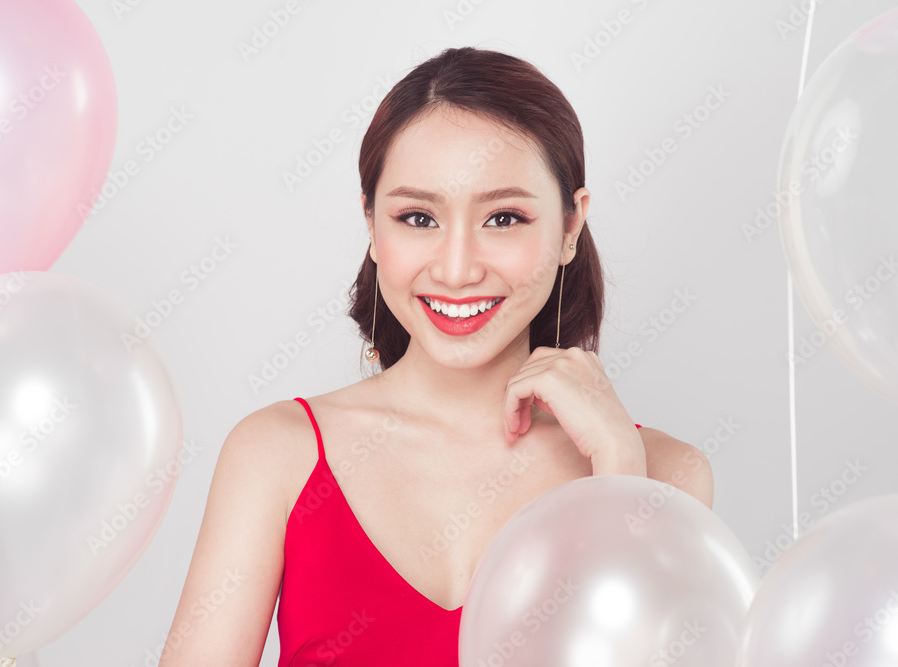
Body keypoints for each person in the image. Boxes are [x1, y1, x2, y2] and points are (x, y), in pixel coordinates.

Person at [157, 46, 712, 666]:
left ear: (570, 227)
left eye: (503, 218)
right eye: (418, 217)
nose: (456, 268)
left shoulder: (666, 476)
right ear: (371, 224)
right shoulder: (276, 455)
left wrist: (616, 476)